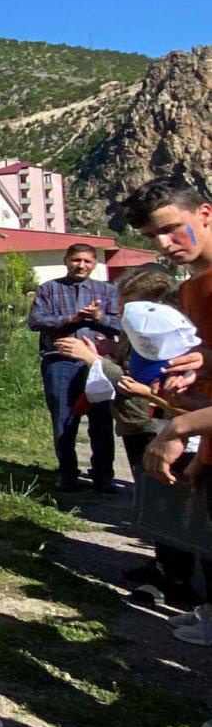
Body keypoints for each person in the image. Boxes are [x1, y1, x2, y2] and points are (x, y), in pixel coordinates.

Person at [53, 263, 199, 609]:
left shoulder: (168, 337)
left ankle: (175, 580)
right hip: (137, 424)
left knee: (168, 506)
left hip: (155, 426)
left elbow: (147, 385)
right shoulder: (142, 334)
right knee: (153, 505)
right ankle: (162, 565)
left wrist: (94, 360)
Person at [121, 177, 212, 644]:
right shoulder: (193, 292)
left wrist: (180, 427)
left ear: (205, 214)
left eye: (172, 229)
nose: (163, 244)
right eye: (151, 237)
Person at [27, 244, 122, 495]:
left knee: (101, 419)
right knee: (63, 417)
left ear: (94, 264)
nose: (81, 265)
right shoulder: (49, 289)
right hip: (59, 361)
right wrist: (71, 320)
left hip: (97, 362)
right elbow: (35, 321)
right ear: (66, 260)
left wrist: (99, 316)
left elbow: (121, 326)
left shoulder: (107, 291)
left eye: (87, 261)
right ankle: (67, 473)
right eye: (76, 260)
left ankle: (104, 475)